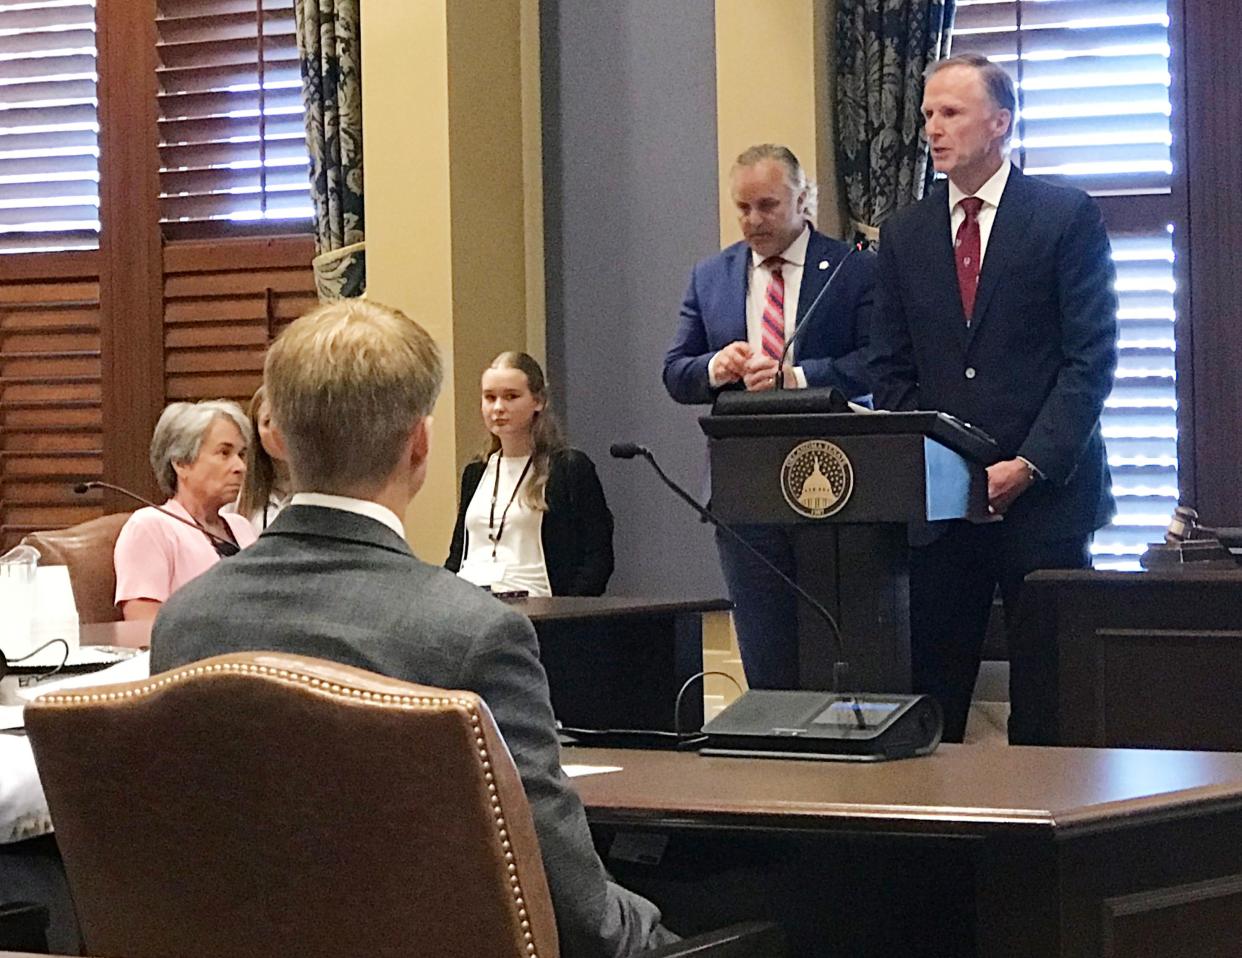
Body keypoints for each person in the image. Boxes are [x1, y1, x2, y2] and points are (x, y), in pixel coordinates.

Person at [150, 300, 674, 957]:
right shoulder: (474, 635)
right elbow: (574, 912)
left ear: (275, 438)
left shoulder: (183, 625)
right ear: (420, 443)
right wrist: (657, 924)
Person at [868, 54, 1118, 743]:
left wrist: (1027, 465)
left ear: (1000, 122)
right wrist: (944, 469)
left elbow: (1089, 360)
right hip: (943, 511)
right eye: (926, 115)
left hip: (1044, 498)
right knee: (932, 704)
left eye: (950, 113)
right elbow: (889, 369)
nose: (933, 130)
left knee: (1051, 701)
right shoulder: (904, 233)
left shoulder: (1064, 217)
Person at [663, 143, 876, 690]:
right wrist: (716, 366)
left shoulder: (853, 269)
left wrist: (798, 377)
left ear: (804, 200)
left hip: (837, 479)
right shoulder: (711, 276)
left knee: (840, 650)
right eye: (743, 208)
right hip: (745, 485)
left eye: (768, 205)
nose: (753, 221)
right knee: (766, 652)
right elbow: (675, 373)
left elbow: (879, 364)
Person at [446, 351, 614, 597]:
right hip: (470, 602)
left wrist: (568, 613)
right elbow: (458, 551)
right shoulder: (476, 471)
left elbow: (597, 557)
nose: (498, 408)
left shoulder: (569, 468)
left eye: (511, 397)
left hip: (537, 605)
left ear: (539, 401)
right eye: (489, 398)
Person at [114, 399, 257, 621]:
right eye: (224, 453)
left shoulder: (242, 527)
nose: (240, 467)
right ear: (181, 463)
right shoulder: (149, 528)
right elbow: (143, 628)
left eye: (241, 454)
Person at [233, 384, 290, 533]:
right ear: (256, 433)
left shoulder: (326, 486)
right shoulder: (240, 491)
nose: (277, 431)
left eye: (285, 420)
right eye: (268, 422)